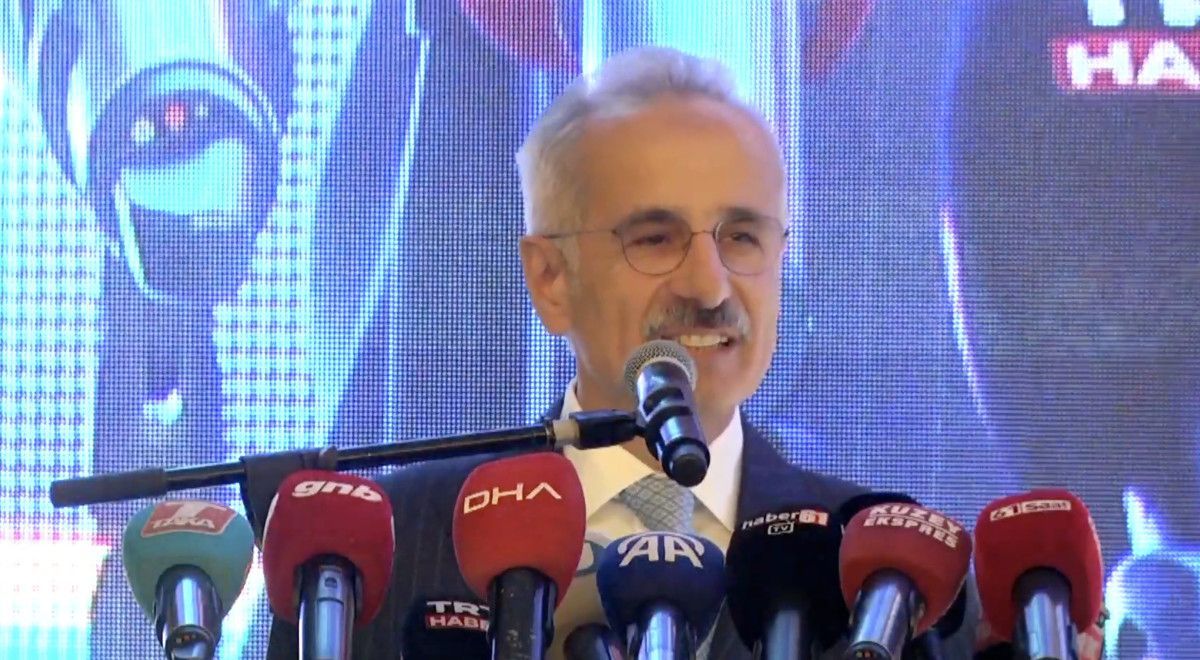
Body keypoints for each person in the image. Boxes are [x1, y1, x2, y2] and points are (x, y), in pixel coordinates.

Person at [265, 45, 974, 659]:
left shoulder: (883, 574)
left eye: (743, 237)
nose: (709, 286)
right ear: (551, 279)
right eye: (655, 239)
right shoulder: (375, 551)